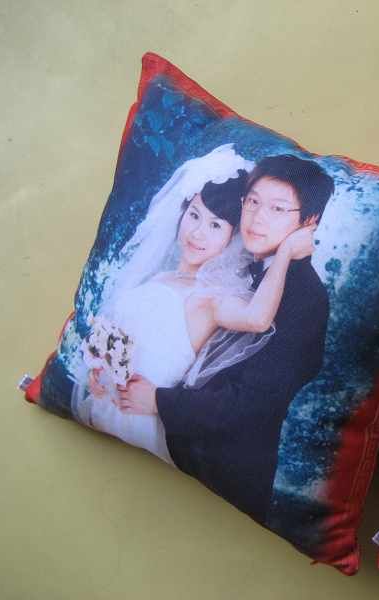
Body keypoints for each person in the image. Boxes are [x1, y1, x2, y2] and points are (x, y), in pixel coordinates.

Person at [116, 154, 334, 523]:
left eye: (277, 209)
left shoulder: (305, 298)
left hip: (221, 477)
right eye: (253, 202)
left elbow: (251, 406)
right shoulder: (236, 269)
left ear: (308, 222)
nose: (257, 218)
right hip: (168, 452)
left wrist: (157, 400)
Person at [75, 144, 280, 461]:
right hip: (102, 408)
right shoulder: (160, 277)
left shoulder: (210, 297)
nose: (197, 233)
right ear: (182, 212)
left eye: (215, 225)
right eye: (194, 215)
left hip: (138, 420)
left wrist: (286, 254)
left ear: (232, 238)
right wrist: (100, 371)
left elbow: (258, 319)